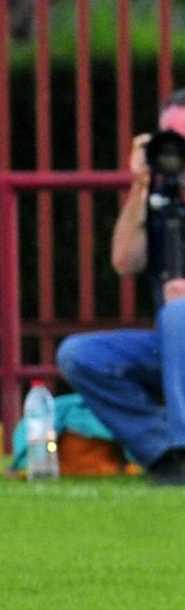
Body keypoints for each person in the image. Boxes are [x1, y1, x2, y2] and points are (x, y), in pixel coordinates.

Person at [55, 93, 185, 486]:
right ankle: (164, 455)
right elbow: (124, 261)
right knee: (80, 354)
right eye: (168, 137)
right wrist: (139, 187)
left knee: (178, 314)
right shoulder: (161, 200)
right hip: (174, 345)